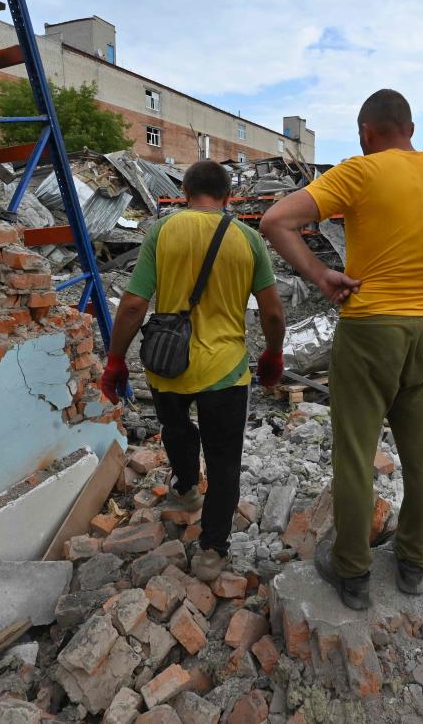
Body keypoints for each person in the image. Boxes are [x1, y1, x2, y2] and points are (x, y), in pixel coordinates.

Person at [261, 89, 423, 609]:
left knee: (356, 455)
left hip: (371, 327)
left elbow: (273, 221)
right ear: (412, 129)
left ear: (366, 132)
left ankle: (353, 573)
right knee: (420, 455)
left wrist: (319, 272)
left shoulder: (359, 172)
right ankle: (414, 563)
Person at [100, 160, 286, 580]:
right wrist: (273, 355)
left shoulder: (162, 231)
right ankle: (212, 550)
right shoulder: (249, 239)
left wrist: (115, 360)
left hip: (168, 364)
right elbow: (273, 313)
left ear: (184, 191)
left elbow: (132, 304)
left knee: (176, 429)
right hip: (226, 370)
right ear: (228, 197)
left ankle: (185, 489)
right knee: (224, 461)